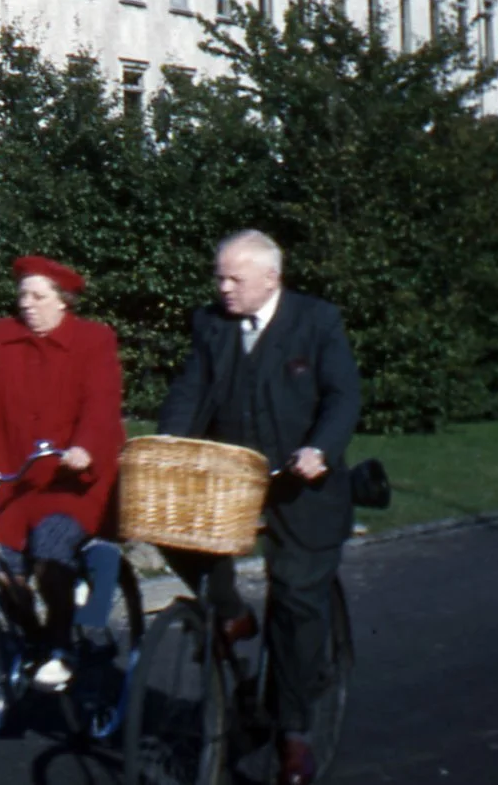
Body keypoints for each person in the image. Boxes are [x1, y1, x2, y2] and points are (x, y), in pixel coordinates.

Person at [155, 229, 360, 785]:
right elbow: (189, 391)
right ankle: (230, 611)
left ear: (271, 278)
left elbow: (344, 395)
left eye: (234, 279)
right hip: (230, 480)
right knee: (168, 526)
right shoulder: (211, 324)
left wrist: (320, 448)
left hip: (302, 485)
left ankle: (294, 734)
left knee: (296, 601)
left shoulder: (316, 321)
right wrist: (170, 445)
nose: (223, 288)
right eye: (218, 277)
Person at [0, 255, 126, 691]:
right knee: (3, 565)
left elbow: (102, 403)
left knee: (52, 552)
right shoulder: (3, 337)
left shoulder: (93, 340)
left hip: (72, 480)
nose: (27, 304)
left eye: (38, 296)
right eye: (23, 295)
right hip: (15, 475)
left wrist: (85, 448)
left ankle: (61, 646)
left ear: (63, 301)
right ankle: (35, 642)